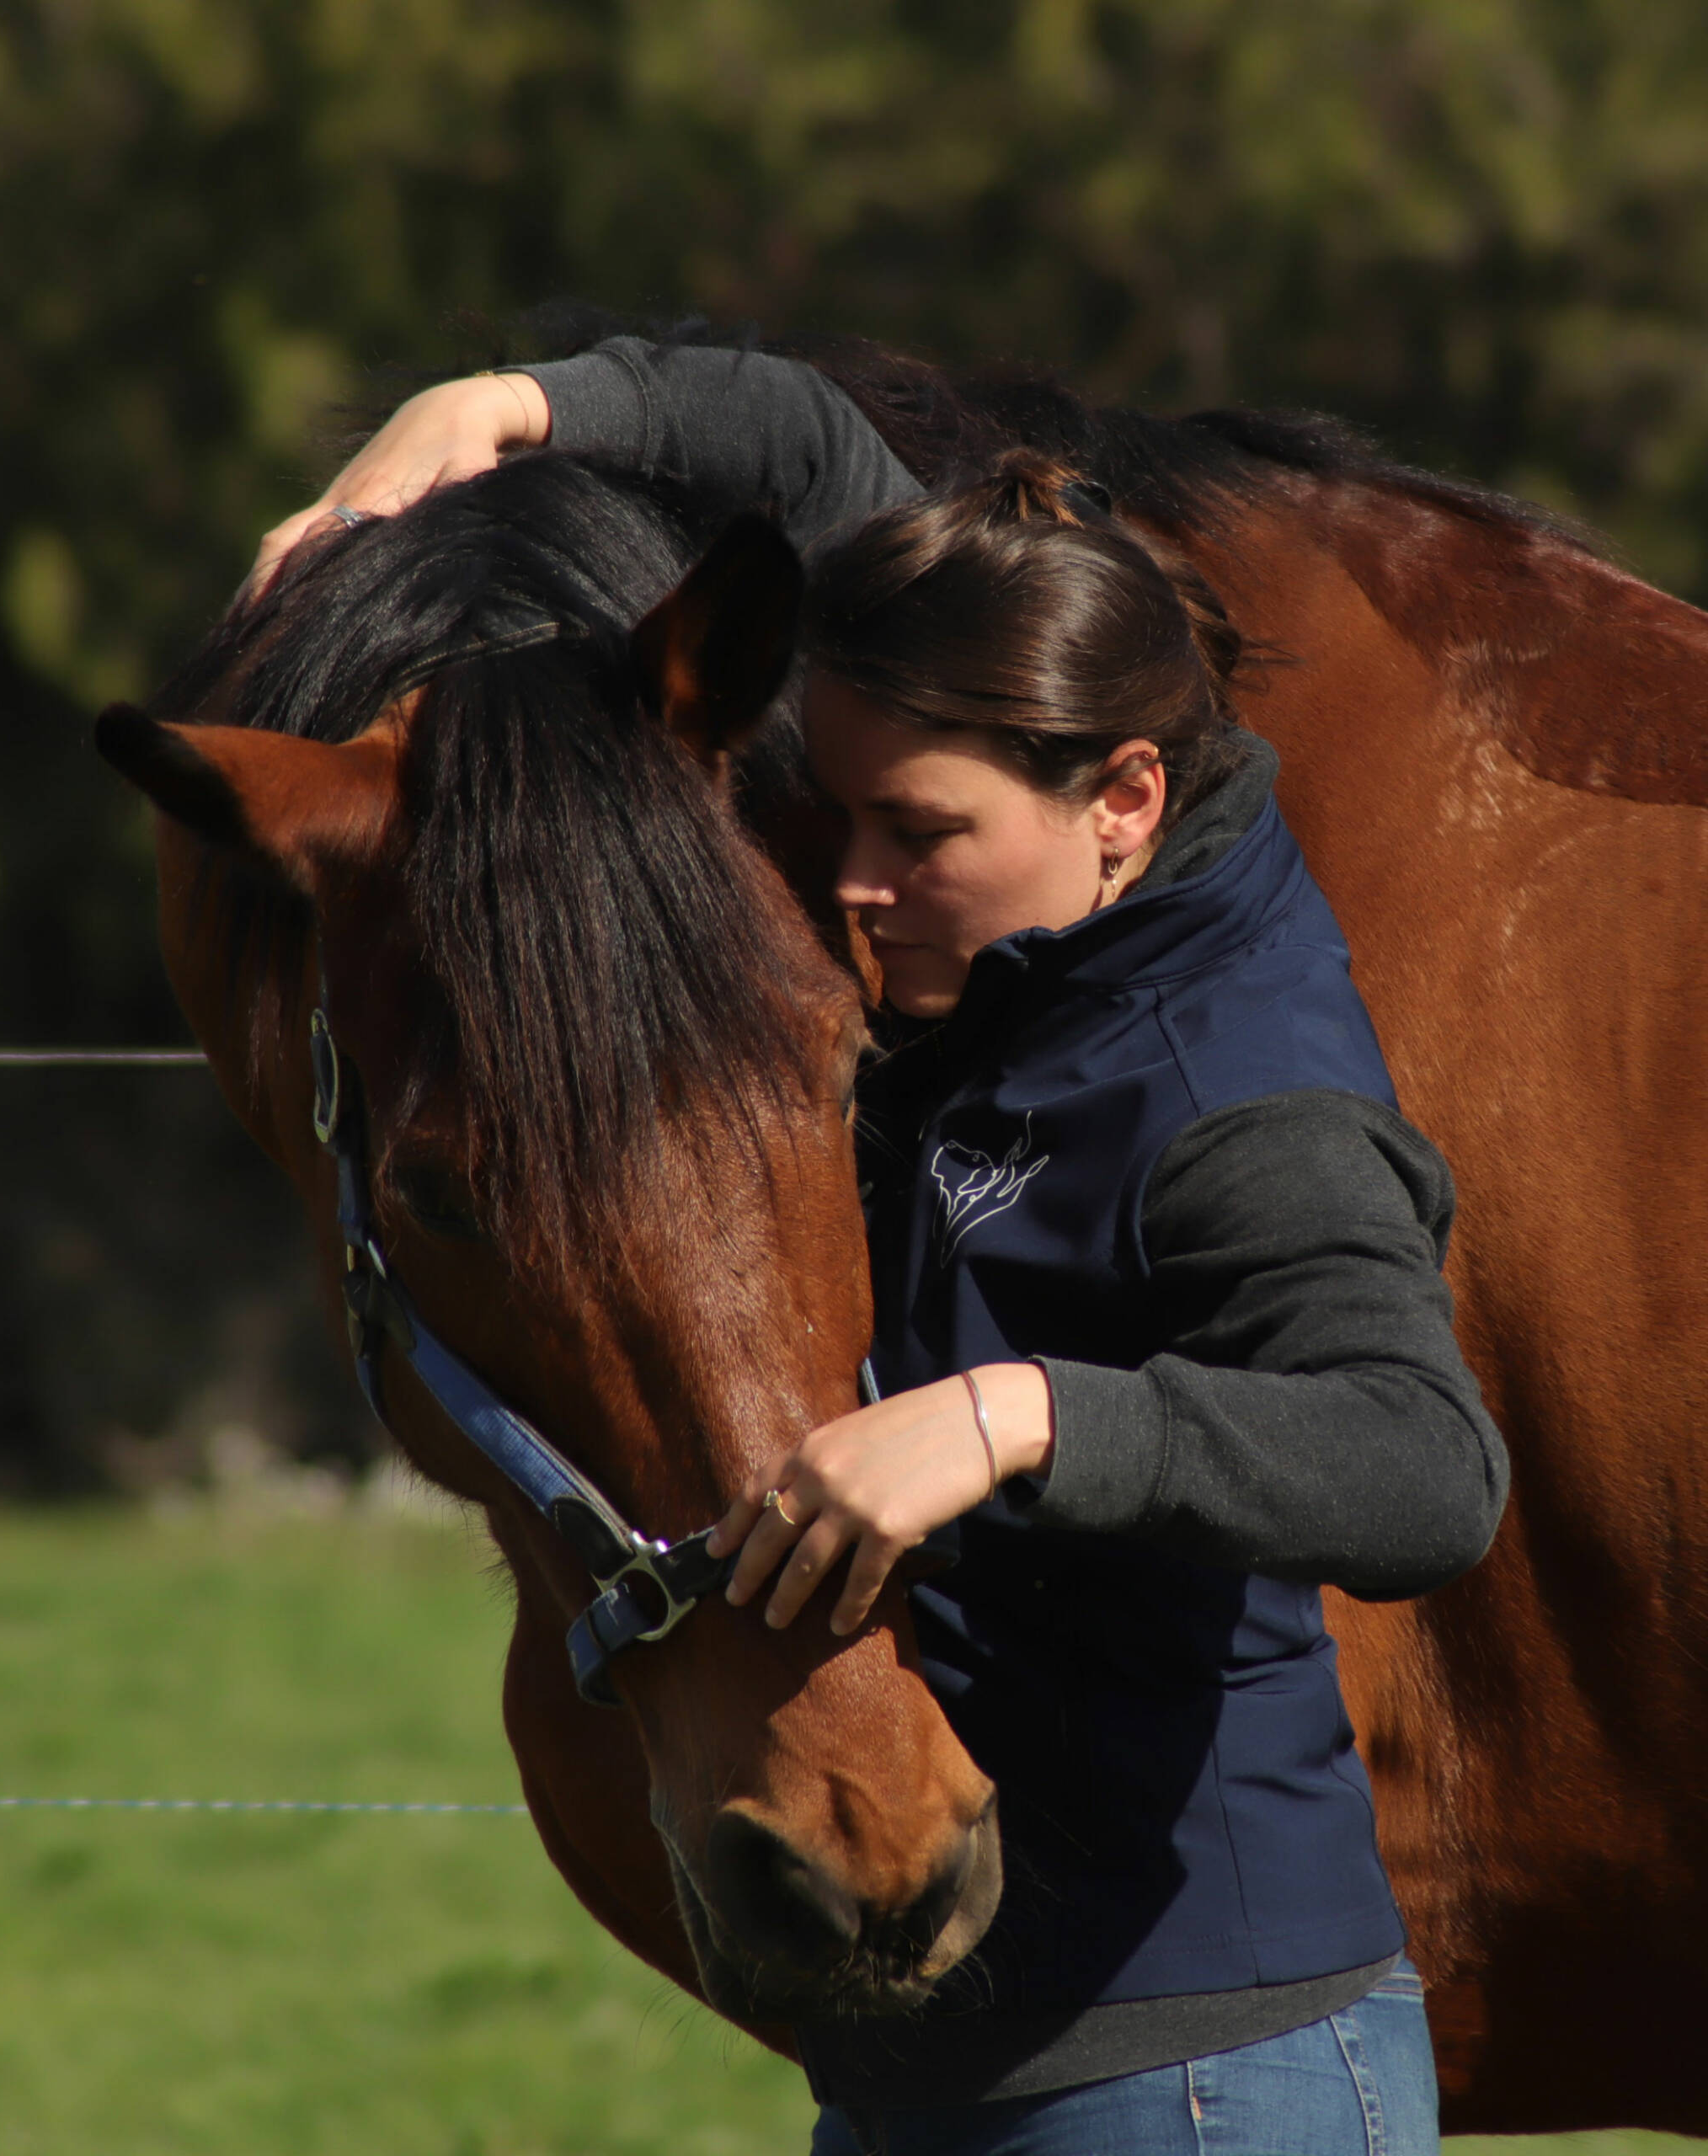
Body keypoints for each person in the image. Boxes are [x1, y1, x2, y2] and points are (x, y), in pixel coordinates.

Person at [256, 339, 1508, 2156]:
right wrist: (511, 406)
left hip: (1185, 2076)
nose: (847, 878)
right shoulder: (988, 758)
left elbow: (1422, 1462)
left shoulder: (1236, 1087)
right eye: (837, 810)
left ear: (1127, 801)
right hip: (947, 2065)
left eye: (917, 834)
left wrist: (1018, 1417)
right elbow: (800, 439)